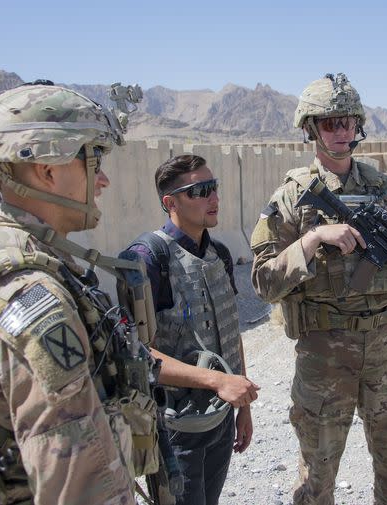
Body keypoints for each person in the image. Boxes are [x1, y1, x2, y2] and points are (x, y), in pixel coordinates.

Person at [0, 83, 152, 504]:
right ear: (47, 169)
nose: (105, 179)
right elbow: (78, 482)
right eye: (93, 160)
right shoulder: (32, 297)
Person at [250, 72, 387, 505]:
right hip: (324, 356)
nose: (341, 132)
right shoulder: (292, 197)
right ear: (310, 129)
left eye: (348, 122)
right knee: (317, 479)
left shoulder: (385, 190)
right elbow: (263, 282)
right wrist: (312, 240)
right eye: (330, 123)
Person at [126, 154, 258, 505]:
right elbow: (136, 354)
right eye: (199, 190)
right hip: (175, 428)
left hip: (219, 418)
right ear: (170, 203)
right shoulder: (148, 258)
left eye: (213, 187)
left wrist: (242, 408)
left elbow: (230, 330)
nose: (213, 198)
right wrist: (218, 381)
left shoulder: (220, 254)